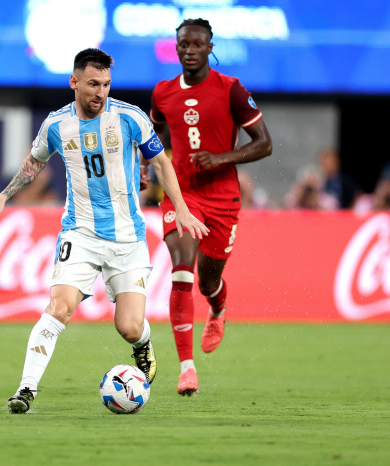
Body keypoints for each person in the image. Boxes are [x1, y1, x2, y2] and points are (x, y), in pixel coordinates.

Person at [0, 48, 208, 413]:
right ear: (74, 82)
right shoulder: (56, 125)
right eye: (92, 84)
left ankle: (144, 345)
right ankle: (25, 390)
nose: (100, 92)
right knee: (58, 308)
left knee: (130, 327)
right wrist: (2, 197)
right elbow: (33, 163)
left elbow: (161, 162)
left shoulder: (130, 117)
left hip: (128, 239)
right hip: (80, 235)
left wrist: (181, 207)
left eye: (105, 84)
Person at [148, 18, 273, 396]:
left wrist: (221, 159)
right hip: (180, 193)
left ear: (209, 46)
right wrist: (142, 167)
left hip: (222, 198)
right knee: (182, 269)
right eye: (183, 44)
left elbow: (264, 143)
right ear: (177, 47)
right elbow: (151, 136)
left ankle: (217, 308)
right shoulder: (162, 93)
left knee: (207, 280)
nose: (189, 50)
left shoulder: (231, 90)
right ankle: (187, 369)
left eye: (196, 44)